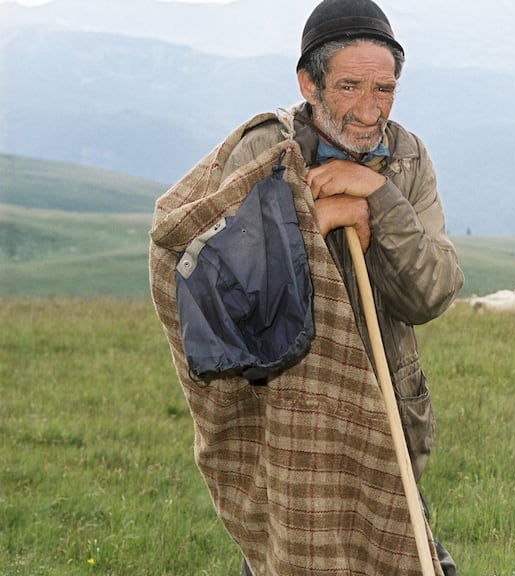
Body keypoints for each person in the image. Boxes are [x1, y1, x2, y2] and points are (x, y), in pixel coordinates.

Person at [148, 1, 462, 574]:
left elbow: (433, 292)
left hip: (384, 409)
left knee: (404, 556)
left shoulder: (408, 159)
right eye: (349, 86)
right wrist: (304, 228)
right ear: (308, 83)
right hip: (288, 418)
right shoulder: (261, 152)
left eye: (384, 89)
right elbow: (212, 283)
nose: (370, 111)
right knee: (289, 560)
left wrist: (378, 199)